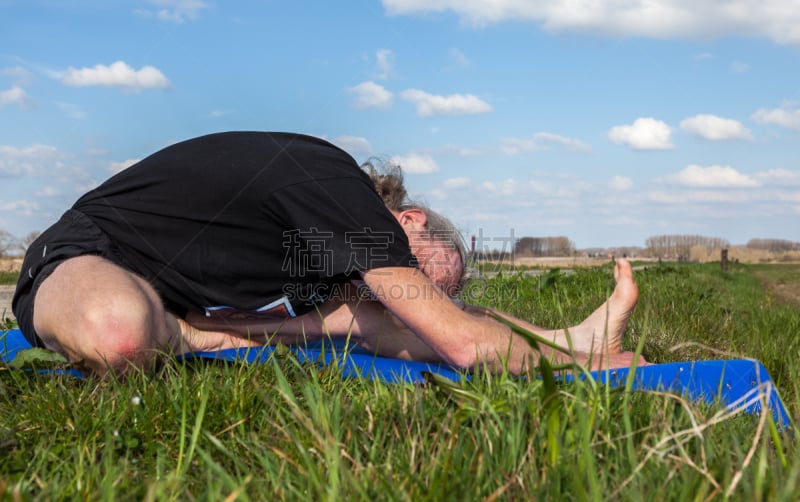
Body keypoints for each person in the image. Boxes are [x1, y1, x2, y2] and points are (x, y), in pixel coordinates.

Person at [13, 131, 646, 376]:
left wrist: (571, 342)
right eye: (425, 274)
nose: (415, 297)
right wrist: (588, 370)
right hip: (87, 254)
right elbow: (458, 341)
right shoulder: (335, 189)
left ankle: (572, 335)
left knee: (380, 324)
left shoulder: (325, 260)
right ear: (408, 220)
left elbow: (413, 328)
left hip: (170, 293)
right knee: (119, 335)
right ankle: (186, 333)